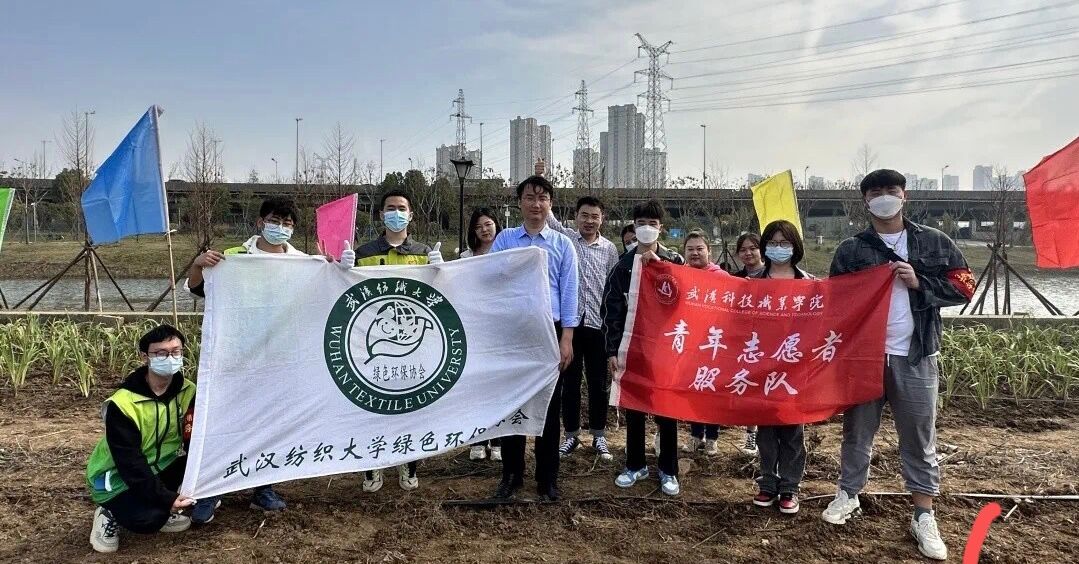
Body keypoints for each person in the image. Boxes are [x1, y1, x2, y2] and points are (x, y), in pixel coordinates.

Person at [821, 169, 973, 561]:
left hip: (916, 354)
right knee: (857, 432)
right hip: (865, 357)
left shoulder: (934, 241)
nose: (884, 198)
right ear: (866, 201)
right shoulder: (852, 249)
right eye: (876, 192)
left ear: (904, 196)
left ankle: (924, 514)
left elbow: (964, 286)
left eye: (892, 190)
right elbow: (833, 300)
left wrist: (921, 282)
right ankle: (848, 494)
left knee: (919, 437)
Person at [184, 197, 302, 522]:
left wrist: (335, 266)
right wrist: (198, 265)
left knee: (271, 422)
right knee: (225, 420)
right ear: (260, 222)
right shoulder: (233, 257)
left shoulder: (302, 262)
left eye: (288, 224)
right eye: (275, 221)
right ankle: (212, 487)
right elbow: (198, 290)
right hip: (236, 356)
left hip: (279, 359)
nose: (281, 228)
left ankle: (263, 487)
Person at [339, 188, 443, 492]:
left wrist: (441, 270)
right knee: (371, 404)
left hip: (411, 343)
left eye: (401, 208)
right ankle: (372, 466)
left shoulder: (424, 252)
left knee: (409, 404)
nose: (396, 213)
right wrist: (342, 270)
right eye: (390, 208)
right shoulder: (364, 253)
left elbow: (439, 295)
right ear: (381, 214)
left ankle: (408, 464)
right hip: (372, 340)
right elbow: (347, 294)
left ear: (410, 215)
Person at [487, 175, 579, 501]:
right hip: (513, 331)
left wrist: (567, 338)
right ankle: (512, 475)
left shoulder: (562, 245)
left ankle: (547, 478)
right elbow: (490, 278)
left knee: (548, 407)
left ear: (550, 204)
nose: (536, 204)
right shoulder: (505, 240)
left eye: (542, 198)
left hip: (549, 331)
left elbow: (570, 294)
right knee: (513, 404)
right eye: (529, 197)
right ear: (520, 203)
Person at [86, 325, 199, 553]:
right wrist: (166, 498)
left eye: (176, 352)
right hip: (117, 476)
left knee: (196, 463)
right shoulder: (123, 404)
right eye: (161, 353)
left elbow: (193, 438)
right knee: (148, 520)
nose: (170, 358)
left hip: (161, 464)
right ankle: (108, 512)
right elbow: (130, 462)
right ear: (145, 357)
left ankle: (161, 504)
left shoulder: (188, 390)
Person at [602, 199, 685, 496]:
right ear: (633, 227)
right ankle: (635, 464)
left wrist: (660, 266)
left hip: (666, 349)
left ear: (661, 227)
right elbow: (610, 311)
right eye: (641, 223)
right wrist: (612, 350)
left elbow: (686, 299)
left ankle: (668, 469)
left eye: (652, 223)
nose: (646, 228)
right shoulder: (622, 266)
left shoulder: (674, 261)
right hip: (632, 347)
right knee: (635, 407)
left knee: (667, 410)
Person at [545, 196, 620, 462]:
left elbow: (612, 289)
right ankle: (571, 435)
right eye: (584, 215)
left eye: (595, 216)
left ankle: (599, 435)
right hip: (572, 326)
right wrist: (541, 182)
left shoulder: (609, 249)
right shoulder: (567, 239)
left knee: (599, 383)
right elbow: (549, 218)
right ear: (576, 217)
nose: (589, 221)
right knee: (570, 382)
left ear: (602, 219)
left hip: (598, 325)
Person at [749, 220, 813, 516]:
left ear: (795, 246)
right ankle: (767, 482)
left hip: (795, 367)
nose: (778, 248)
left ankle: (789, 487)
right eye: (773, 243)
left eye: (784, 243)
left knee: (792, 429)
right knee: (765, 429)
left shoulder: (809, 284)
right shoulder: (752, 283)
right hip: (761, 366)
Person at [460, 207, 504, 462]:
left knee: (498, 387)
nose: (485, 230)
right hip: (474, 330)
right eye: (479, 227)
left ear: (496, 224)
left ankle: (497, 440)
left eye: (488, 224)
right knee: (476, 388)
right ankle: (477, 440)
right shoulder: (466, 257)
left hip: (500, 330)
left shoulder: (508, 252)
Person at [679, 230, 726, 456]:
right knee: (693, 389)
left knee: (712, 391)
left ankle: (712, 437)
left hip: (714, 343)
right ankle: (696, 434)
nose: (695, 253)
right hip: (689, 343)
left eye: (699, 249)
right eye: (690, 249)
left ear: (709, 251)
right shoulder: (679, 275)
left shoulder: (721, 277)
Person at [732, 231, 764, 457]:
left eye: (753, 248)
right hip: (746, 341)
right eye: (743, 250)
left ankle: (768, 435)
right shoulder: (734, 278)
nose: (748, 253)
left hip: (771, 340)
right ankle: (752, 434)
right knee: (751, 388)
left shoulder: (773, 274)